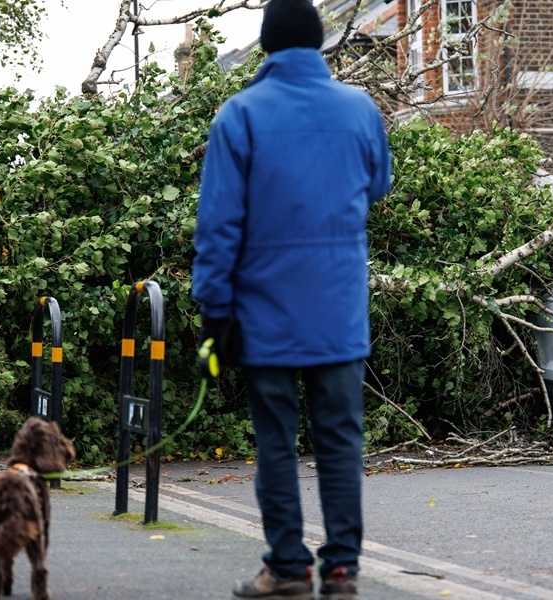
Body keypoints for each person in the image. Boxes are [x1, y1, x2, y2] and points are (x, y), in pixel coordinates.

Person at [191, 0, 392, 596]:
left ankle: (286, 567)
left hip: (264, 314)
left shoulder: (240, 115)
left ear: (267, 49)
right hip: (337, 312)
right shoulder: (360, 110)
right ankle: (341, 568)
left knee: (276, 444)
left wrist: (215, 312)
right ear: (319, 45)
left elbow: (218, 225)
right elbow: (377, 185)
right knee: (340, 444)